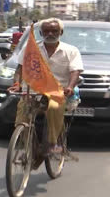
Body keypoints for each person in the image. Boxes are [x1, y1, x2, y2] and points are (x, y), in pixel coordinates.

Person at [8, 18, 84, 154]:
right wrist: (17, 84)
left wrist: (70, 87)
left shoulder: (71, 51)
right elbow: (20, 69)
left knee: (54, 108)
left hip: (57, 92)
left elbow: (75, 71)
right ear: (41, 33)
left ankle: (53, 142)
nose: (50, 34)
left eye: (54, 31)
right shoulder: (30, 49)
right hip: (32, 91)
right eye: (46, 31)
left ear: (61, 32)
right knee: (22, 113)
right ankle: (27, 142)